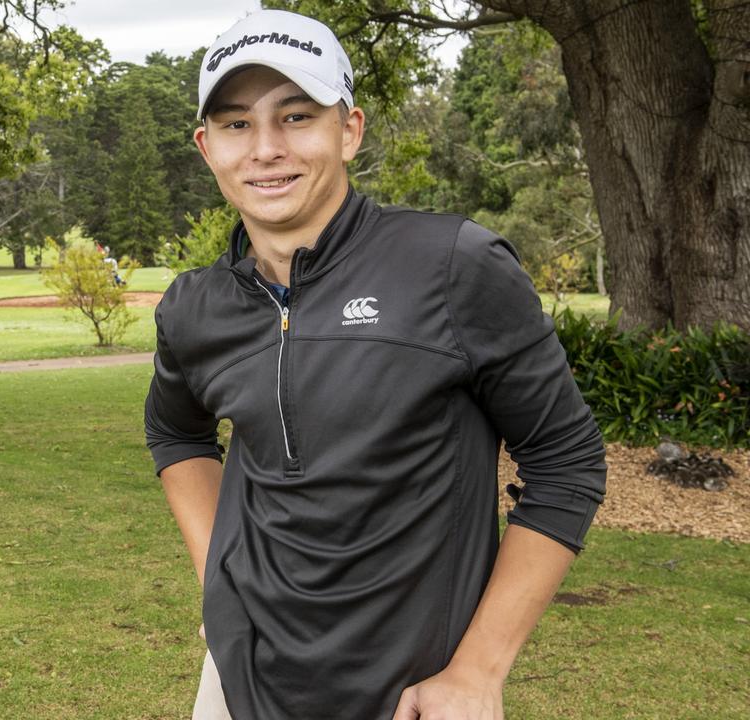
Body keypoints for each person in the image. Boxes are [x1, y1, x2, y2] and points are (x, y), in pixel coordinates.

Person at [144, 9, 607, 720]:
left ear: (349, 130)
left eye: (296, 115)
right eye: (237, 124)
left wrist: (479, 672)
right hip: (241, 683)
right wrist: (218, 581)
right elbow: (177, 436)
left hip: (414, 695)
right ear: (207, 148)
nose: (265, 148)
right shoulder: (193, 309)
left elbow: (566, 461)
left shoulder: (453, 266)